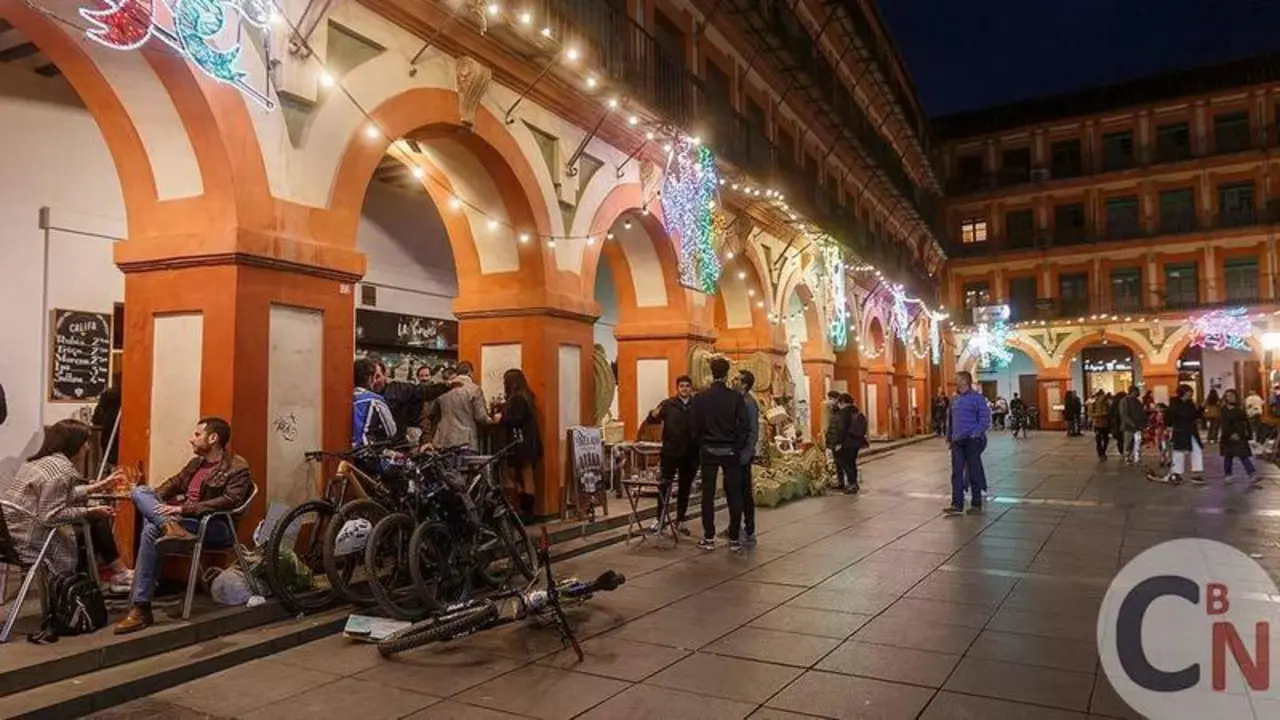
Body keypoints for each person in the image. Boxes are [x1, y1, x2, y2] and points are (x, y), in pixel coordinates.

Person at [115, 417, 252, 634]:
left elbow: (230, 501)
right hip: (186, 523)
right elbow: (171, 485)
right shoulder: (195, 464)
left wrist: (181, 510)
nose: (192, 439)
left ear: (213, 438)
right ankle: (171, 528)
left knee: (152, 529)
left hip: (214, 525)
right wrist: (152, 501)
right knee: (140, 492)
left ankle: (141, 607)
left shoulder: (237, 466)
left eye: (197, 435)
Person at [1, 420, 131, 592]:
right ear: (73, 444)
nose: (87, 448)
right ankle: (80, 589)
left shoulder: (39, 463)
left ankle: (113, 574)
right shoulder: (62, 472)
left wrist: (97, 487)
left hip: (10, 537)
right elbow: (50, 516)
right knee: (93, 524)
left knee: (93, 522)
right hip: (32, 541)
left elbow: (56, 496)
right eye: (85, 443)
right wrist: (88, 511)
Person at [690, 357, 749, 551]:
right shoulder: (736, 398)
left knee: (708, 494)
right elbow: (744, 425)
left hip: (708, 450)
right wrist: (737, 447)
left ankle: (709, 537)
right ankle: (733, 537)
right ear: (726, 374)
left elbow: (694, 425)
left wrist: (701, 443)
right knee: (734, 493)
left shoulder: (701, 398)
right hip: (730, 451)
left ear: (711, 373)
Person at [645, 376, 698, 536]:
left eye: (687, 386)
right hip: (670, 452)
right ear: (677, 388)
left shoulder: (696, 405)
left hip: (690, 453)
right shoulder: (668, 404)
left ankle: (680, 520)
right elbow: (651, 420)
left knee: (685, 487)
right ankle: (659, 519)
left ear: (691, 388)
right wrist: (653, 414)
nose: (684, 389)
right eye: (682, 386)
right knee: (664, 486)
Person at [495, 368, 542, 523]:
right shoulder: (528, 396)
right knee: (526, 474)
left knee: (516, 474)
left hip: (519, 442)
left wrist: (500, 417)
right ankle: (527, 510)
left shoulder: (516, 399)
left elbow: (513, 419)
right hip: (529, 441)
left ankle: (525, 511)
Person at [945, 371, 991, 516]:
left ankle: (976, 504)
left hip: (972, 441)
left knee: (973, 471)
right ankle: (956, 504)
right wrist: (950, 437)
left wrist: (975, 434)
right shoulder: (955, 399)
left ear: (965, 381)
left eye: (957, 379)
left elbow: (984, 419)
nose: (955, 382)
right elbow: (951, 420)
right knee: (956, 473)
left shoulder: (978, 399)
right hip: (957, 441)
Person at [1148, 385, 1203, 485]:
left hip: (1191, 431)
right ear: (1183, 393)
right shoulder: (1175, 404)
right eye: (1189, 392)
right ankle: (1176, 473)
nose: (1190, 394)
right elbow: (1169, 417)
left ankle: (1196, 472)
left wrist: (1201, 409)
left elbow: (1195, 415)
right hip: (1180, 431)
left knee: (1196, 450)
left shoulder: (1190, 403)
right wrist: (1168, 427)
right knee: (1179, 452)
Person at [432, 361, 491, 451]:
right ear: (470, 373)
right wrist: (493, 420)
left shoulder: (444, 389)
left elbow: (432, 413)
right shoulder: (474, 389)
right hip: (465, 440)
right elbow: (481, 417)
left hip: (442, 440)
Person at [736, 370, 760, 546]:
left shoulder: (749, 403)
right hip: (736, 453)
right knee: (736, 492)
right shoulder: (738, 400)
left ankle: (749, 528)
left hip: (743, 455)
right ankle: (737, 526)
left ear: (744, 384)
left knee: (744, 493)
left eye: (737, 379)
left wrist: (746, 453)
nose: (733, 381)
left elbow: (753, 430)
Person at [352, 358, 396, 448]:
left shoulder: (344, 398)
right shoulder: (376, 400)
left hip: (345, 451)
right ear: (369, 378)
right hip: (365, 452)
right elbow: (391, 430)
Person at [1218, 389, 1258, 485]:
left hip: (1240, 435)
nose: (1230, 398)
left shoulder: (1239, 409)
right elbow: (1224, 424)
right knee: (1228, 456)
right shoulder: (1223, 410)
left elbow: (1246, 422)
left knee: (1243, 455)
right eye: (1228, 396)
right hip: (1228, 436)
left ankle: (1252, 473)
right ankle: (1228, 475)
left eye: (1232, 395)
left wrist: (1248, 434)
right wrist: (1229, 434)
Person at [835, 394, 868, 494]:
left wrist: (838, 443)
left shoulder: (844, 413)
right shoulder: (856, 411)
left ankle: (851, 484)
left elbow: (841, 429)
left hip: (847, 443)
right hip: (856, 442)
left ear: (843, 402)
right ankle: (854, 484)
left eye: (839, 403)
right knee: (852, 463)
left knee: (845, 464)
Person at [92, 370, 122, 469]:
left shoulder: (107, 395)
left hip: (108, 434)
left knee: (111, 461)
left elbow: (96, 418)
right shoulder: (131, 395)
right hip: (124, 434)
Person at [1119, 386, 1147, 464]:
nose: (1139, 393)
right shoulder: (1125, 400)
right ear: (1133, 391)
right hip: (1129, 426)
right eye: (1138, 391)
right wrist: (1132, 423)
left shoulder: (1137, 401)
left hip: (1138, 426)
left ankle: (1137, 458)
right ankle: (1127, 457)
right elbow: (1124, 414)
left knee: (1138, 442)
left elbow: (1141, 413)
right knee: (1128, 442)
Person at [1089, 390, 1111, 459]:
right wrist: (1100, 415)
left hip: (1105, 424)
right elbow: (1090, 413)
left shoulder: (1107, 402)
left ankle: (1103, 451)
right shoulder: (1093, 403)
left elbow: (1110, 411)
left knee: (1106, 439)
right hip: (1097, 423)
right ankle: (1100, 452)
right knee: (1098, 439)